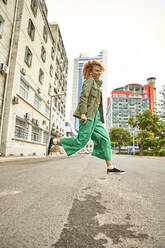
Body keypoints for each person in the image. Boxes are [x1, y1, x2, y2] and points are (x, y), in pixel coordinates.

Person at [48, 60, 126, 175]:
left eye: (100, 71)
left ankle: (110, 167)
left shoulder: (97, 84)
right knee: (82, 141)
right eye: (97, 71)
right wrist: (83, 113)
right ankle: (54, 141)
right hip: (88, 115)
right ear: (90, 72)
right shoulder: (89, 82)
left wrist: (99, 118)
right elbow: (83, 98)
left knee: (105, 139)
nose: (99, 73)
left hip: (96, 117)